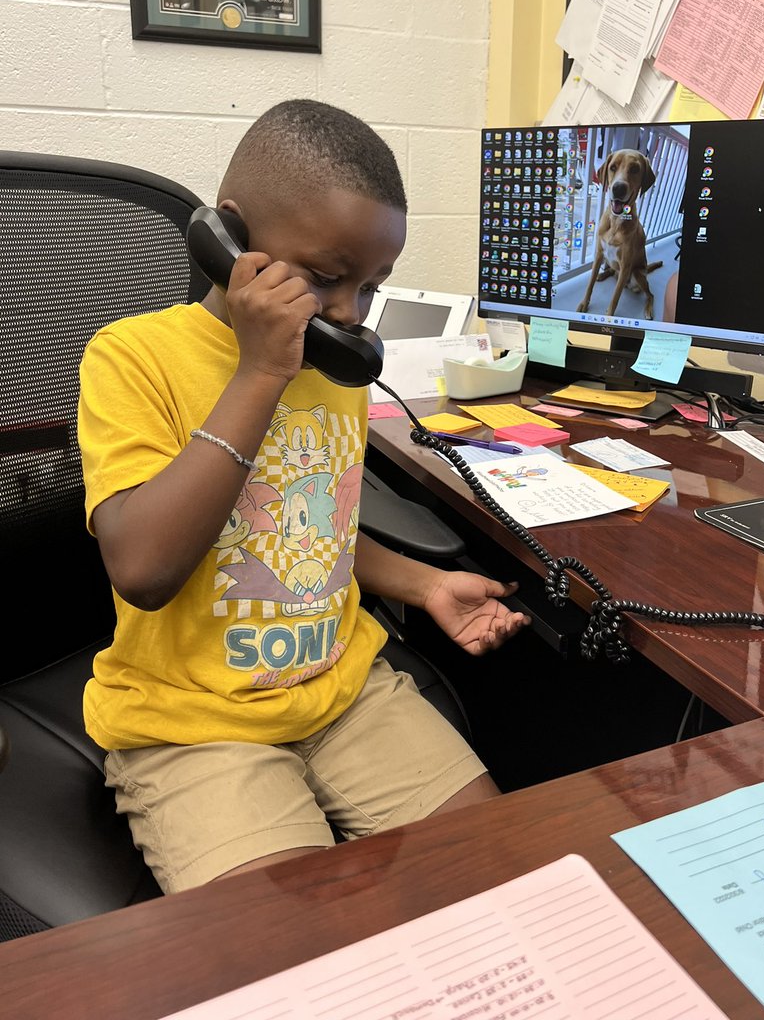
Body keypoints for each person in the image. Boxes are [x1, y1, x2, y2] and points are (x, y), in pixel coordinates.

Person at [77, 98, 530, 895]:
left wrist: (425, 585)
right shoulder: (133, 357)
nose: (348, 314)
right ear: (227, 239)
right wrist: (259, 373)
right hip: (194, 726)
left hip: (343, 693)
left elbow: (318, 533)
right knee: (296, 952)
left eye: (370, 286)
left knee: (493, 877)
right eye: (325, 278)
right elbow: (144, 569)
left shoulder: (332, 370)